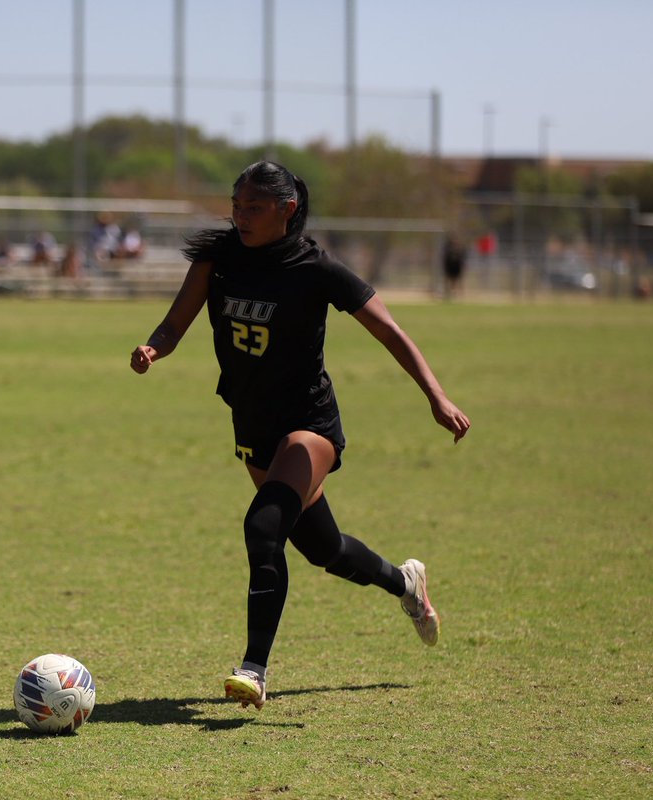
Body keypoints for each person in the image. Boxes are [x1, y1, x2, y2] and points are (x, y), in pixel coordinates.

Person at [129, 161, 470, 710]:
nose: (241, 216)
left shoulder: (317, 269)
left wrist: (436, 396)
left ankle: (254, 669)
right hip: (253, 424)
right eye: (237, 205)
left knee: (263, 528)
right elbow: (175, 323)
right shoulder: (217, 259)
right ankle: (405, 584)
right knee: (323, 548)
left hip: (309, 424)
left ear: (287, 210)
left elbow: (389, 330)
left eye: (254, 207)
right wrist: (153, 348)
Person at [442, 235, 468, 299]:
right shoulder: (448, 249)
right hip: (450, 267)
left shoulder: (460, 249)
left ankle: (459, 293)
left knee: (458, 280)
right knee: (450, 280)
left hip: (457, 267)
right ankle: (450, 293)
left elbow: (463, 258)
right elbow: (445, 258)